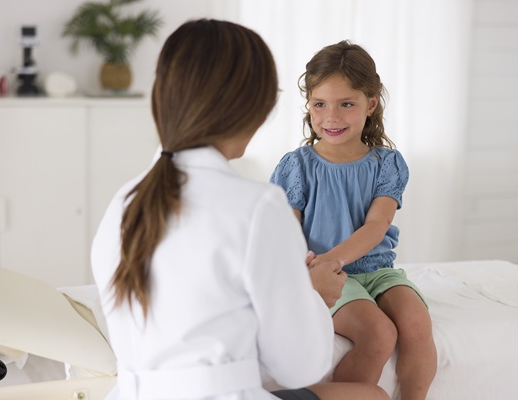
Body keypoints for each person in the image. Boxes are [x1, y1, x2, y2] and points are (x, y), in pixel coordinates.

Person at [91, 20, 388, 400]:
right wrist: (312, 294)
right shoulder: (257, 206)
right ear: (252, 106)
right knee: (373, 396)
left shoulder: (124, 201)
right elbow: (300, 367)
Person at [270, 40, 437, 400]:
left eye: (346, 104)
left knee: (416, 324)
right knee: (378, 334)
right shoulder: (296, 166)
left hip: (376, 269)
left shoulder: (387, 164)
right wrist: (317, 269)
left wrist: (333, 258)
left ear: (371, 104)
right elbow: (285, 233)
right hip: (326, 276)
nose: (331, 117)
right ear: (308, 104)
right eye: (320, 104)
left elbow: (376, 226)